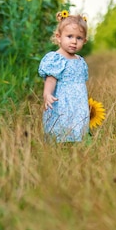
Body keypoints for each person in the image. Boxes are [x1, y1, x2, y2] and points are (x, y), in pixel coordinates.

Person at [38, 10, 89, 143]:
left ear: (84, 40)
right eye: (70, 36)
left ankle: (76, 143)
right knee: (60, 124)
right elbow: (50, 80)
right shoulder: (56, 59)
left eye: (79, 38)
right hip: (62, 102)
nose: (74, 41)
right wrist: (47, 94)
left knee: (78, 125)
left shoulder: (80, 61)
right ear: (59, 37)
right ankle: (59, 143)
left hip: (78, 103)